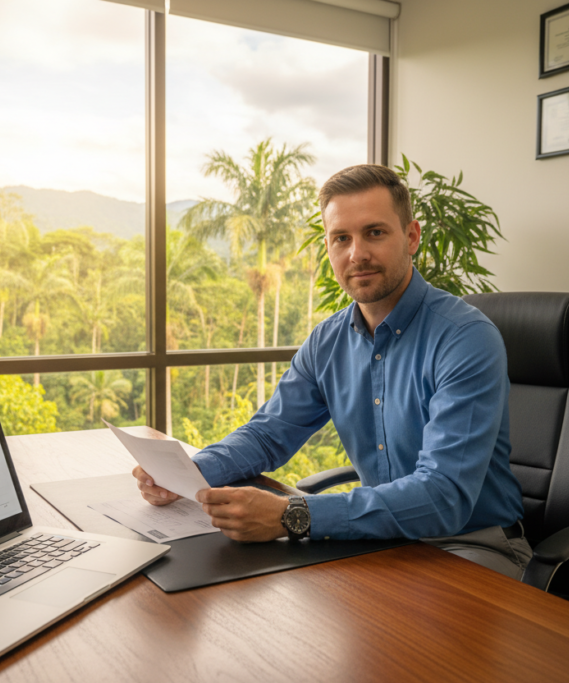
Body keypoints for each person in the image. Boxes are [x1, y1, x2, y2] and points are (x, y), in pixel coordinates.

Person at [133, 164, 530, 579]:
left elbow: (443, 496)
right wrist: (187, 473)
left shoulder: (465, 338)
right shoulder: (328, 340)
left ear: (411, 237)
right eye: (341, 238)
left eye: (374, 232)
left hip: (469, 545)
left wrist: (293, 514)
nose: (357, 254)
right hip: (381, 541)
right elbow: (269, 434)